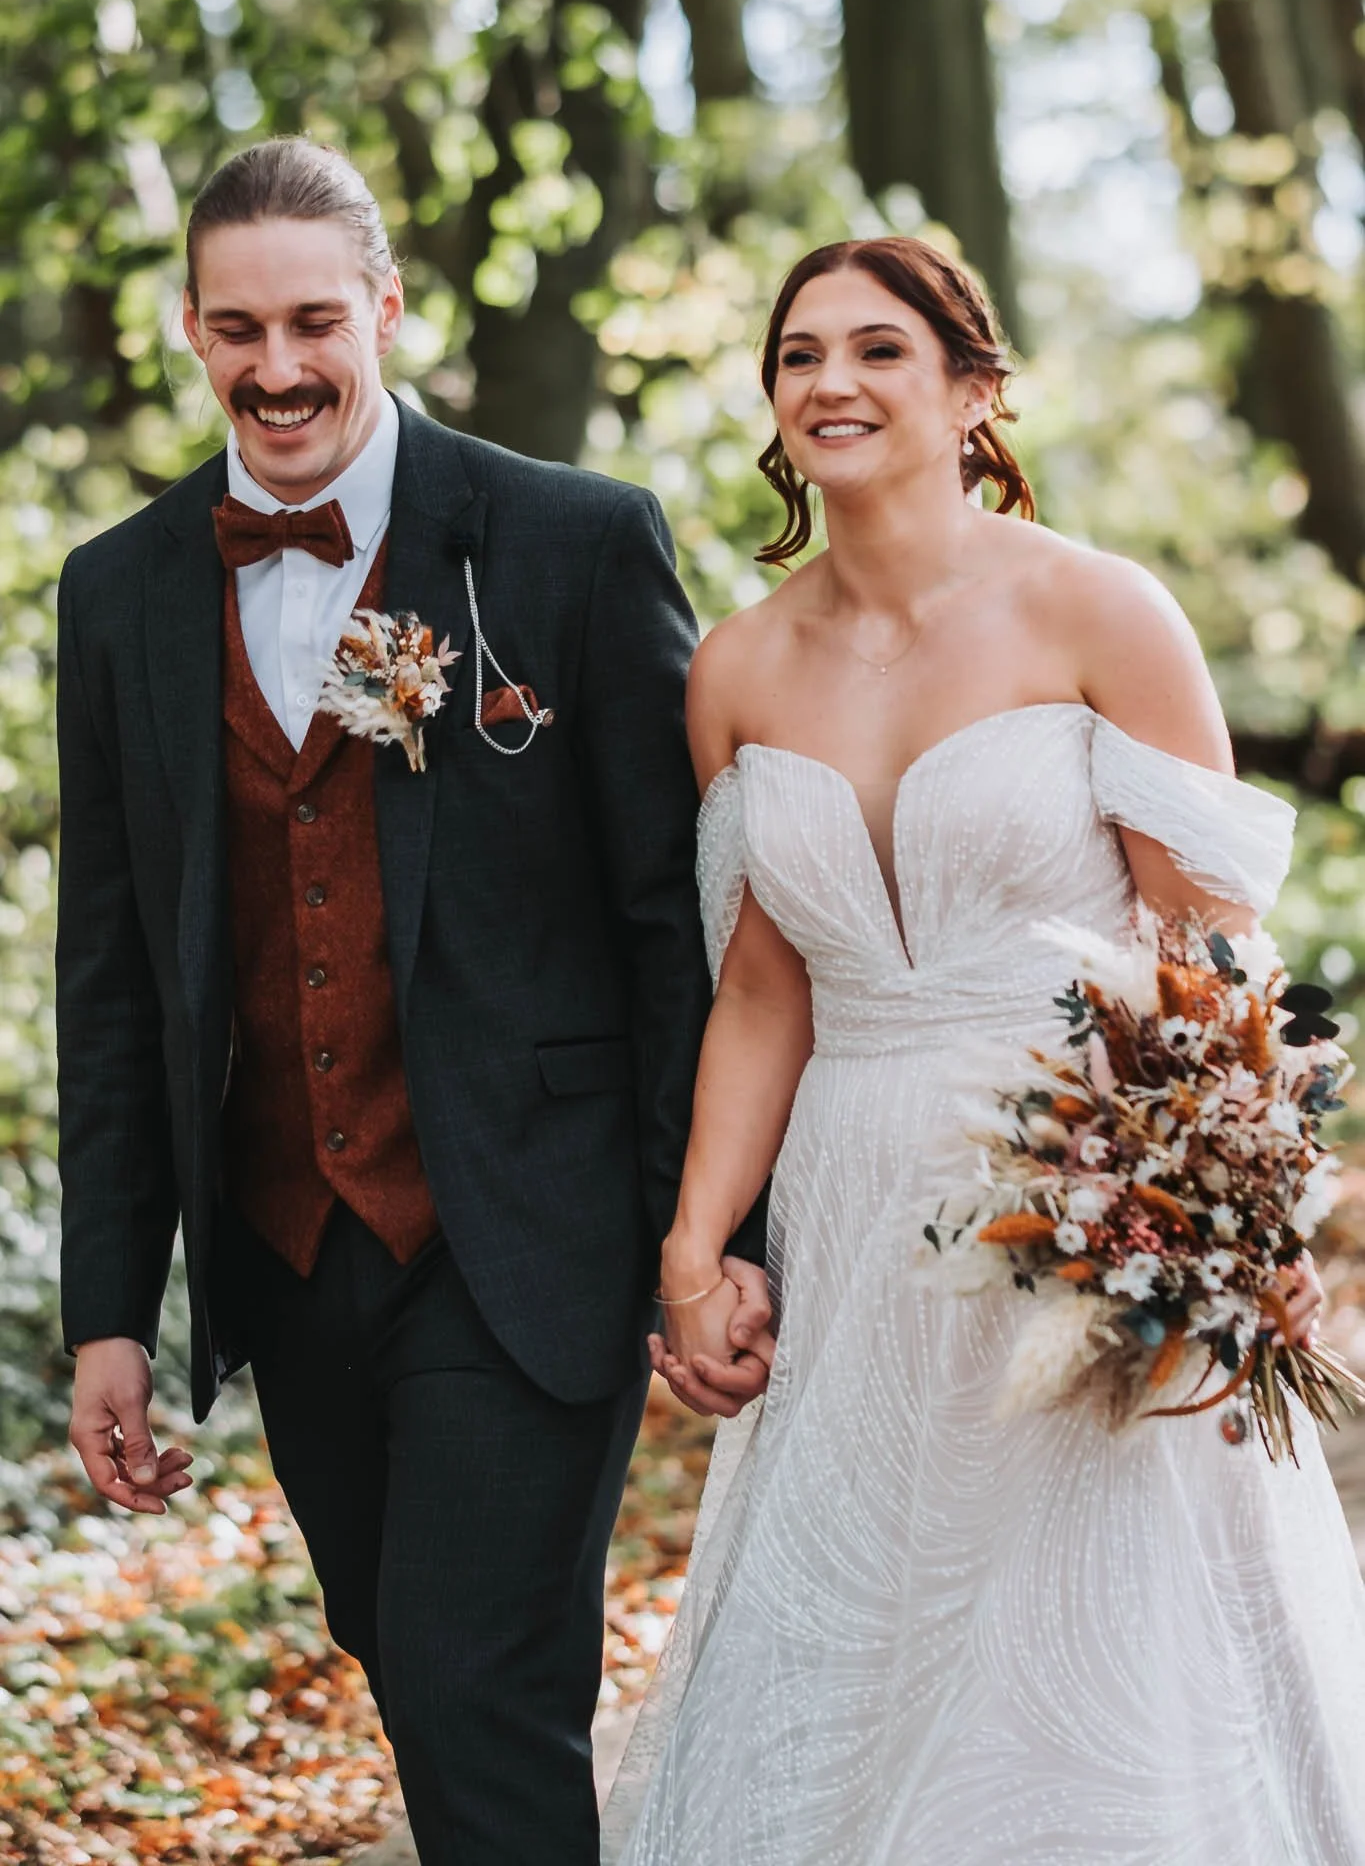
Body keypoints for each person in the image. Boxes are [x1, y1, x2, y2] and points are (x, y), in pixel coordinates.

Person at [604, 236, 1365, 1865]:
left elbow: (1209, 959)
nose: (832, 383)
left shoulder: (1099, 610)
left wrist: (1248, 1214)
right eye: (800, 355)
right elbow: (763, 992)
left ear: (972, 390)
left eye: (880, 350)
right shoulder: (735, 667)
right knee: (865, 1632)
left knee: (1103, 1639)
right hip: (858, 1209)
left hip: (1091, 1198)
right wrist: (690, 1246)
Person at [54, 136, 770, 1866]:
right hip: (288, 1249)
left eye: (314, 319)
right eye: (238, 329)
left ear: (386, 306)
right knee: (404, 1647)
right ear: (193, 331)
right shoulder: (121, 590)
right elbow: (112, 976)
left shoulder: (569, 544)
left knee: (476, 1679)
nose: (279, 368)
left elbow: (676, 928)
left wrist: (714, 1237)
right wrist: (110, 1310)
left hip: (524, 1231)